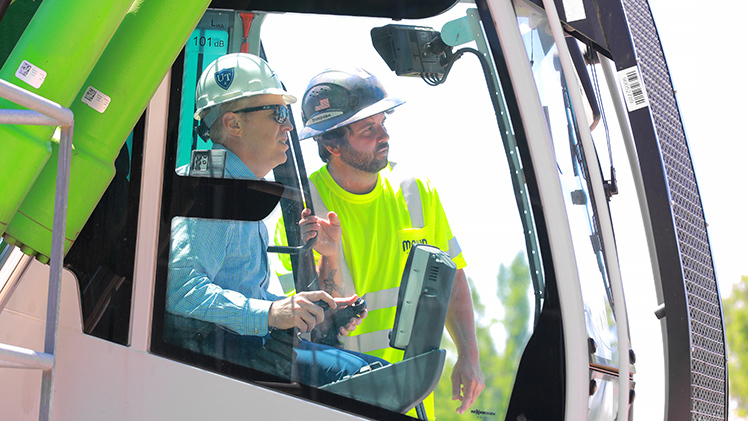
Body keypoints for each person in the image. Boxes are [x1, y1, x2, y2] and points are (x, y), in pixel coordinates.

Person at [164, 53, 384, 387]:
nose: (289, 126)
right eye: (277, 113)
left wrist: (306, 308)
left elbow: (238, 294)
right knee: (367, 380)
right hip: (218, 361)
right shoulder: (211, 189)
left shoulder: (238, 187)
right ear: (234, 124)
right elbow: (181, 291)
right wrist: (271, 313)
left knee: (379, 373)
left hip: (236, 348)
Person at [295, 68, 485, 415]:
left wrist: (469, 357)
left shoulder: (416, 192)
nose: (384, 136)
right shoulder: (303, 208)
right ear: (331, 144)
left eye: (383, 124)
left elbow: (453, 277)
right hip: (343, 399)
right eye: (369, 129)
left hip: (410, 398)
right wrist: (328, 256)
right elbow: (312, 322)